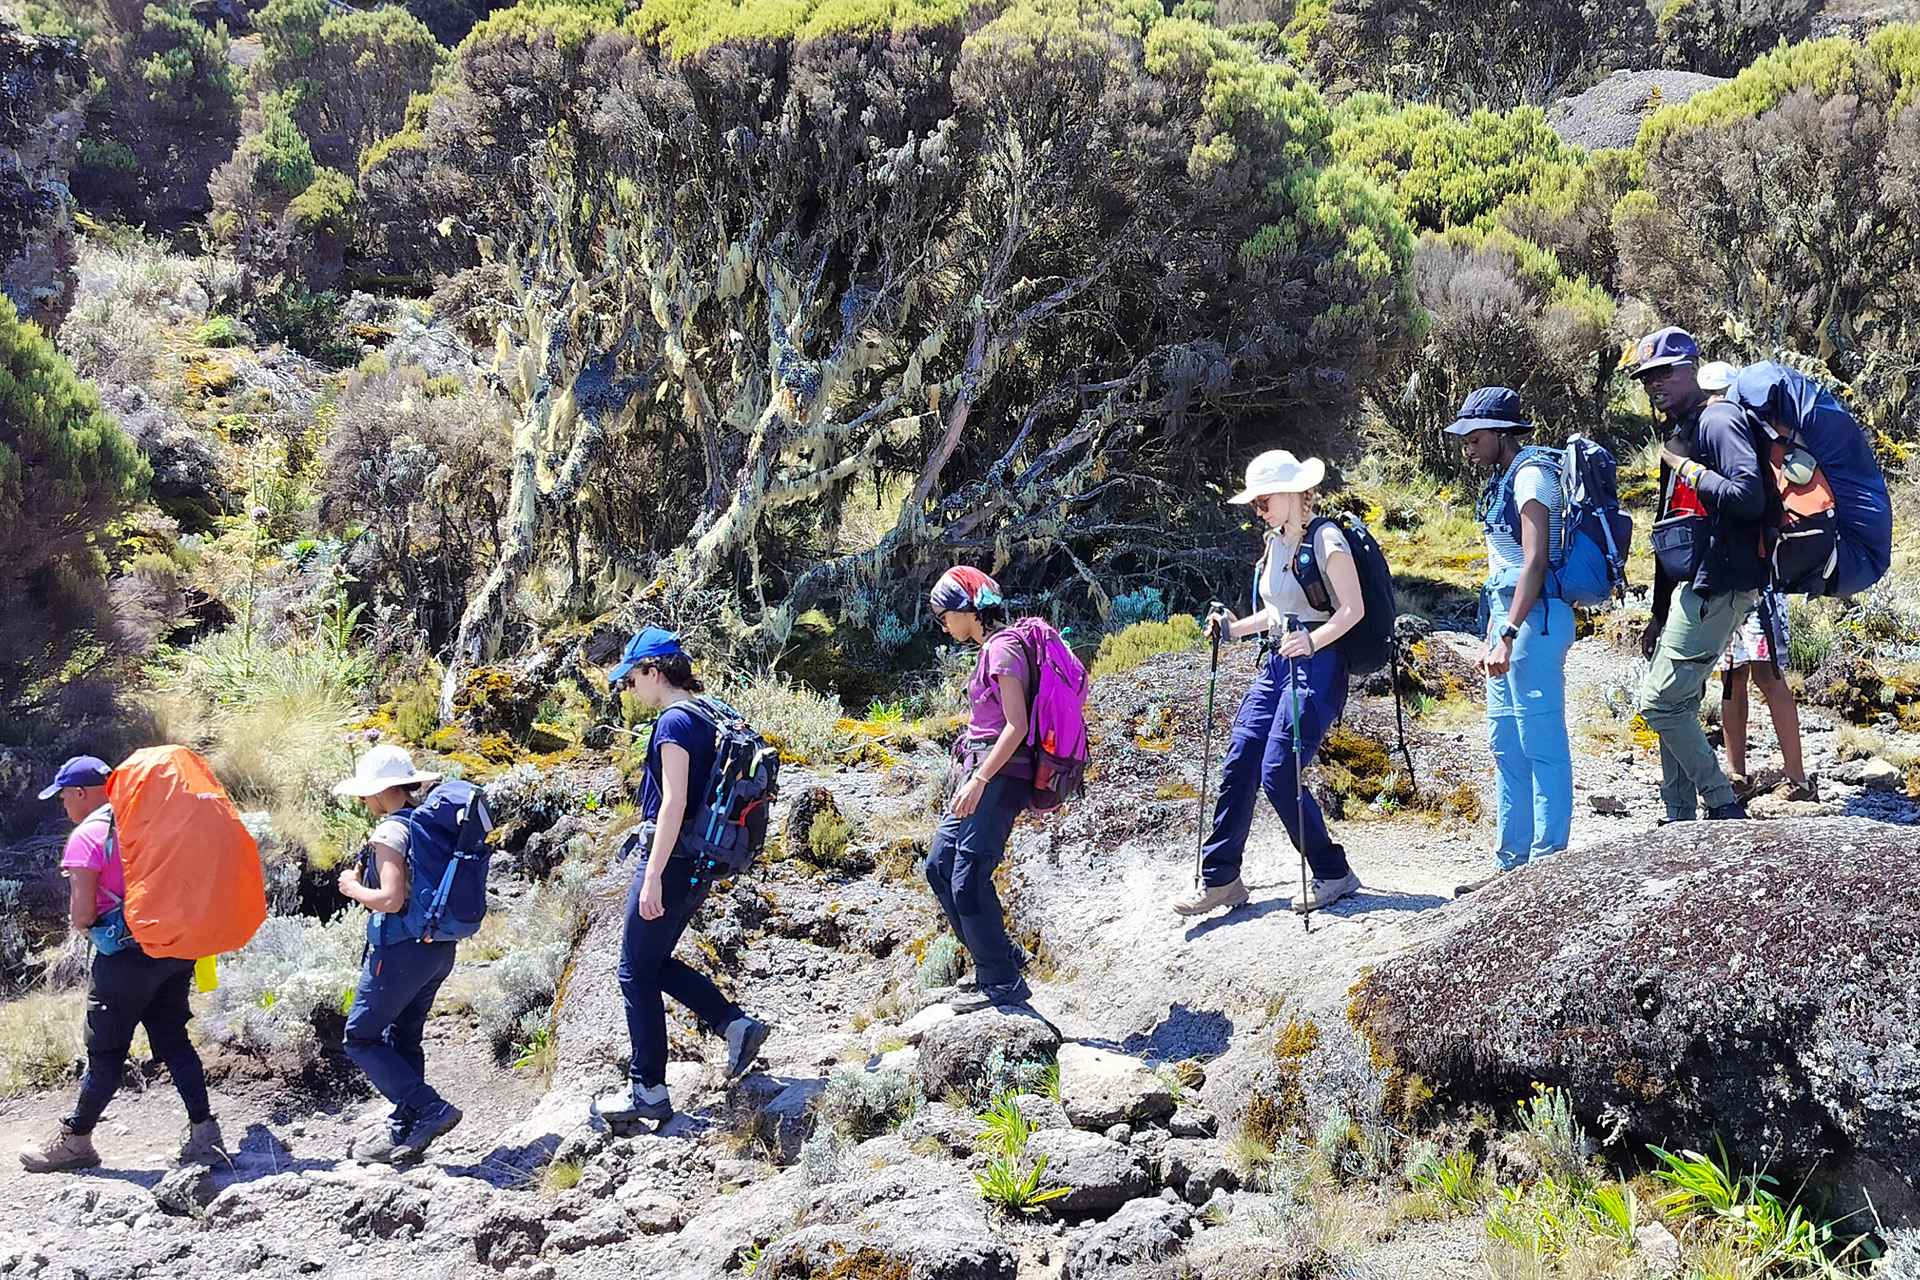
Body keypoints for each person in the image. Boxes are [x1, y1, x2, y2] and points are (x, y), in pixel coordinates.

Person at [1175, 449, 1366, 917]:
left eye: (1264, 499)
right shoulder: (1274, 542)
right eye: (1256, 502)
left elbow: (1352, 609)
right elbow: (1277, 612)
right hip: (1277, 663)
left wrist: (1312, 642)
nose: (1259, 508)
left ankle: (1332, 872)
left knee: (1278, 770)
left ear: (1293, 493)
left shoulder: (1327, 540)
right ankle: (1221, 880)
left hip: (1318, 666)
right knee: (1240, 759)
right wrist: (1234, 628)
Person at [594, 627, 770, 1126]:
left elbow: (673, 803)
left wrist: (650, 878)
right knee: (653, 963)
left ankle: (647, 1089)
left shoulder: (673, 723)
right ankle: (734, 1025)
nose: (630, 691)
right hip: (702, 860)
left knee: (633, 970)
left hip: (673, 861)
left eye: (631, 680)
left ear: (654, 671)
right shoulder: (712, 711)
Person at [19, 756, 226, 1173]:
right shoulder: (154, 824)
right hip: (175, 948)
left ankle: (76, 1141)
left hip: (125, 961)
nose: (64, 805)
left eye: (64, 796)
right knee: (173, 1039)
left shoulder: (89, 836)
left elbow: (81, 916)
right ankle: (205, 1134)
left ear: (80, 793)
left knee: (106, 1051)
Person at [1631, 327, 1774, 822]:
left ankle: (1721, 805)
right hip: (1695, 587)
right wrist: (1656, 613)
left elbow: (1748, 496)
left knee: (1660, 704)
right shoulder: (1684, 434)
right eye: (1647, 377)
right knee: (1679, 705)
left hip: (1722, 583)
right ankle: (1677, 816)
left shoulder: (1717, 420)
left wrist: (1687, 468)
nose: (1654, 383)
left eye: (1664, 371)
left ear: (1693, 366)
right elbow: (1672, 529)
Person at [1446, 389, 1573, 897]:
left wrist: (1507, 633)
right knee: (1506, 743)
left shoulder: (1530, 476)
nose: (1469, 449)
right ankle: (1510, 867)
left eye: (1475, 438)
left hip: (1532, 623)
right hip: (1508, 618)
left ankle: (1546, 869)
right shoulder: (1506, 477)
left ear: (1501, 434)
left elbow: (1535, 562)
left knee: (1541, 743)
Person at [332, 745, 467, 1164]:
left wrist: (352, 889)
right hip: (437, 950)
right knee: (404, 1036)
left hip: (400, 952)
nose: (361, 800)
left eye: (366, 793)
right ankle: (407, 1128)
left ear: (383, 791)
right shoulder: (426, 826)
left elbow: (390, 899)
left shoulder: (390, 831)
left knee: (361, 1037)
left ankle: (429, 1108)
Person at [925, 567, 1038, 1012]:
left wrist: (979, 779)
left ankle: (1002, 981)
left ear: (966, 608)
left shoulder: (1004, 647)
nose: (943, 624)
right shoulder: (990, 649)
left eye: (943, 614)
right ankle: (998, 958)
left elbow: (1017, 725)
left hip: (999, 776)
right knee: (939, 866)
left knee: (968, 880)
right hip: (982, 772)